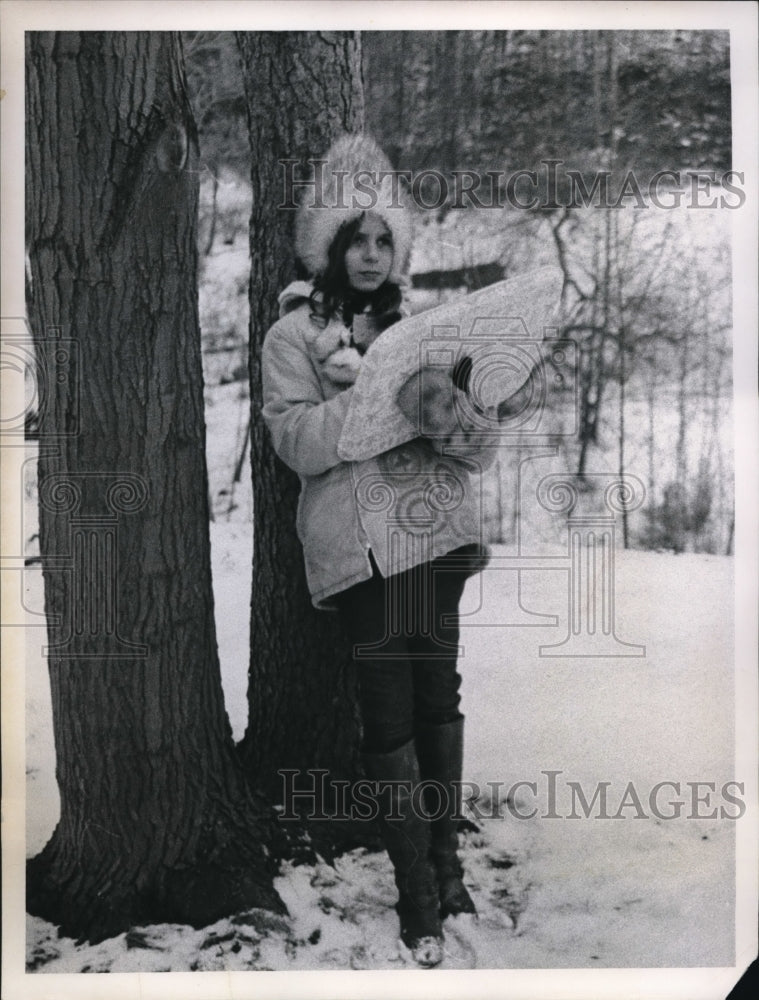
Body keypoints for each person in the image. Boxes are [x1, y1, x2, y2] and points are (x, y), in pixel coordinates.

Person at [261, 134, 497, 968]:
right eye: (353, 239)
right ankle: (416, 894)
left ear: (397, 250)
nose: (368, 254)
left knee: (439, 698)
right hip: (359, 554)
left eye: (382, 240)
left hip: (431, 544)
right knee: (386, 711)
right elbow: (293, 441)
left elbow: (475, 451)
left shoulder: (424, 329)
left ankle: (447, 865)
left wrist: (451, 414)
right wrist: (367, 398)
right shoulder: (293, 336)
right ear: (328, 247)